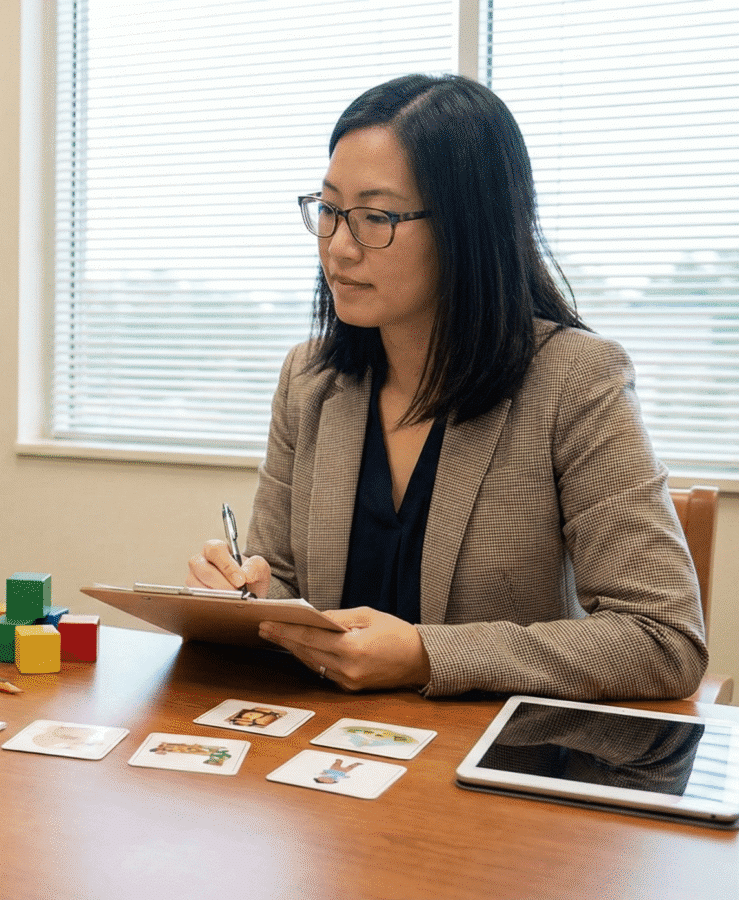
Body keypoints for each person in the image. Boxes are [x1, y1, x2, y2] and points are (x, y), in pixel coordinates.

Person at [186, 74, 706, 701]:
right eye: (328, 211)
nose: (339, 248)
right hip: (329, 763)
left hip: (486, 762)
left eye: (375, 217)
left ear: (468, 229)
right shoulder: (309, 379)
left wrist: (427, 655)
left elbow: (663, 639)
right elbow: (284, 585)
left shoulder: (576, 380)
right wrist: (249, 600)